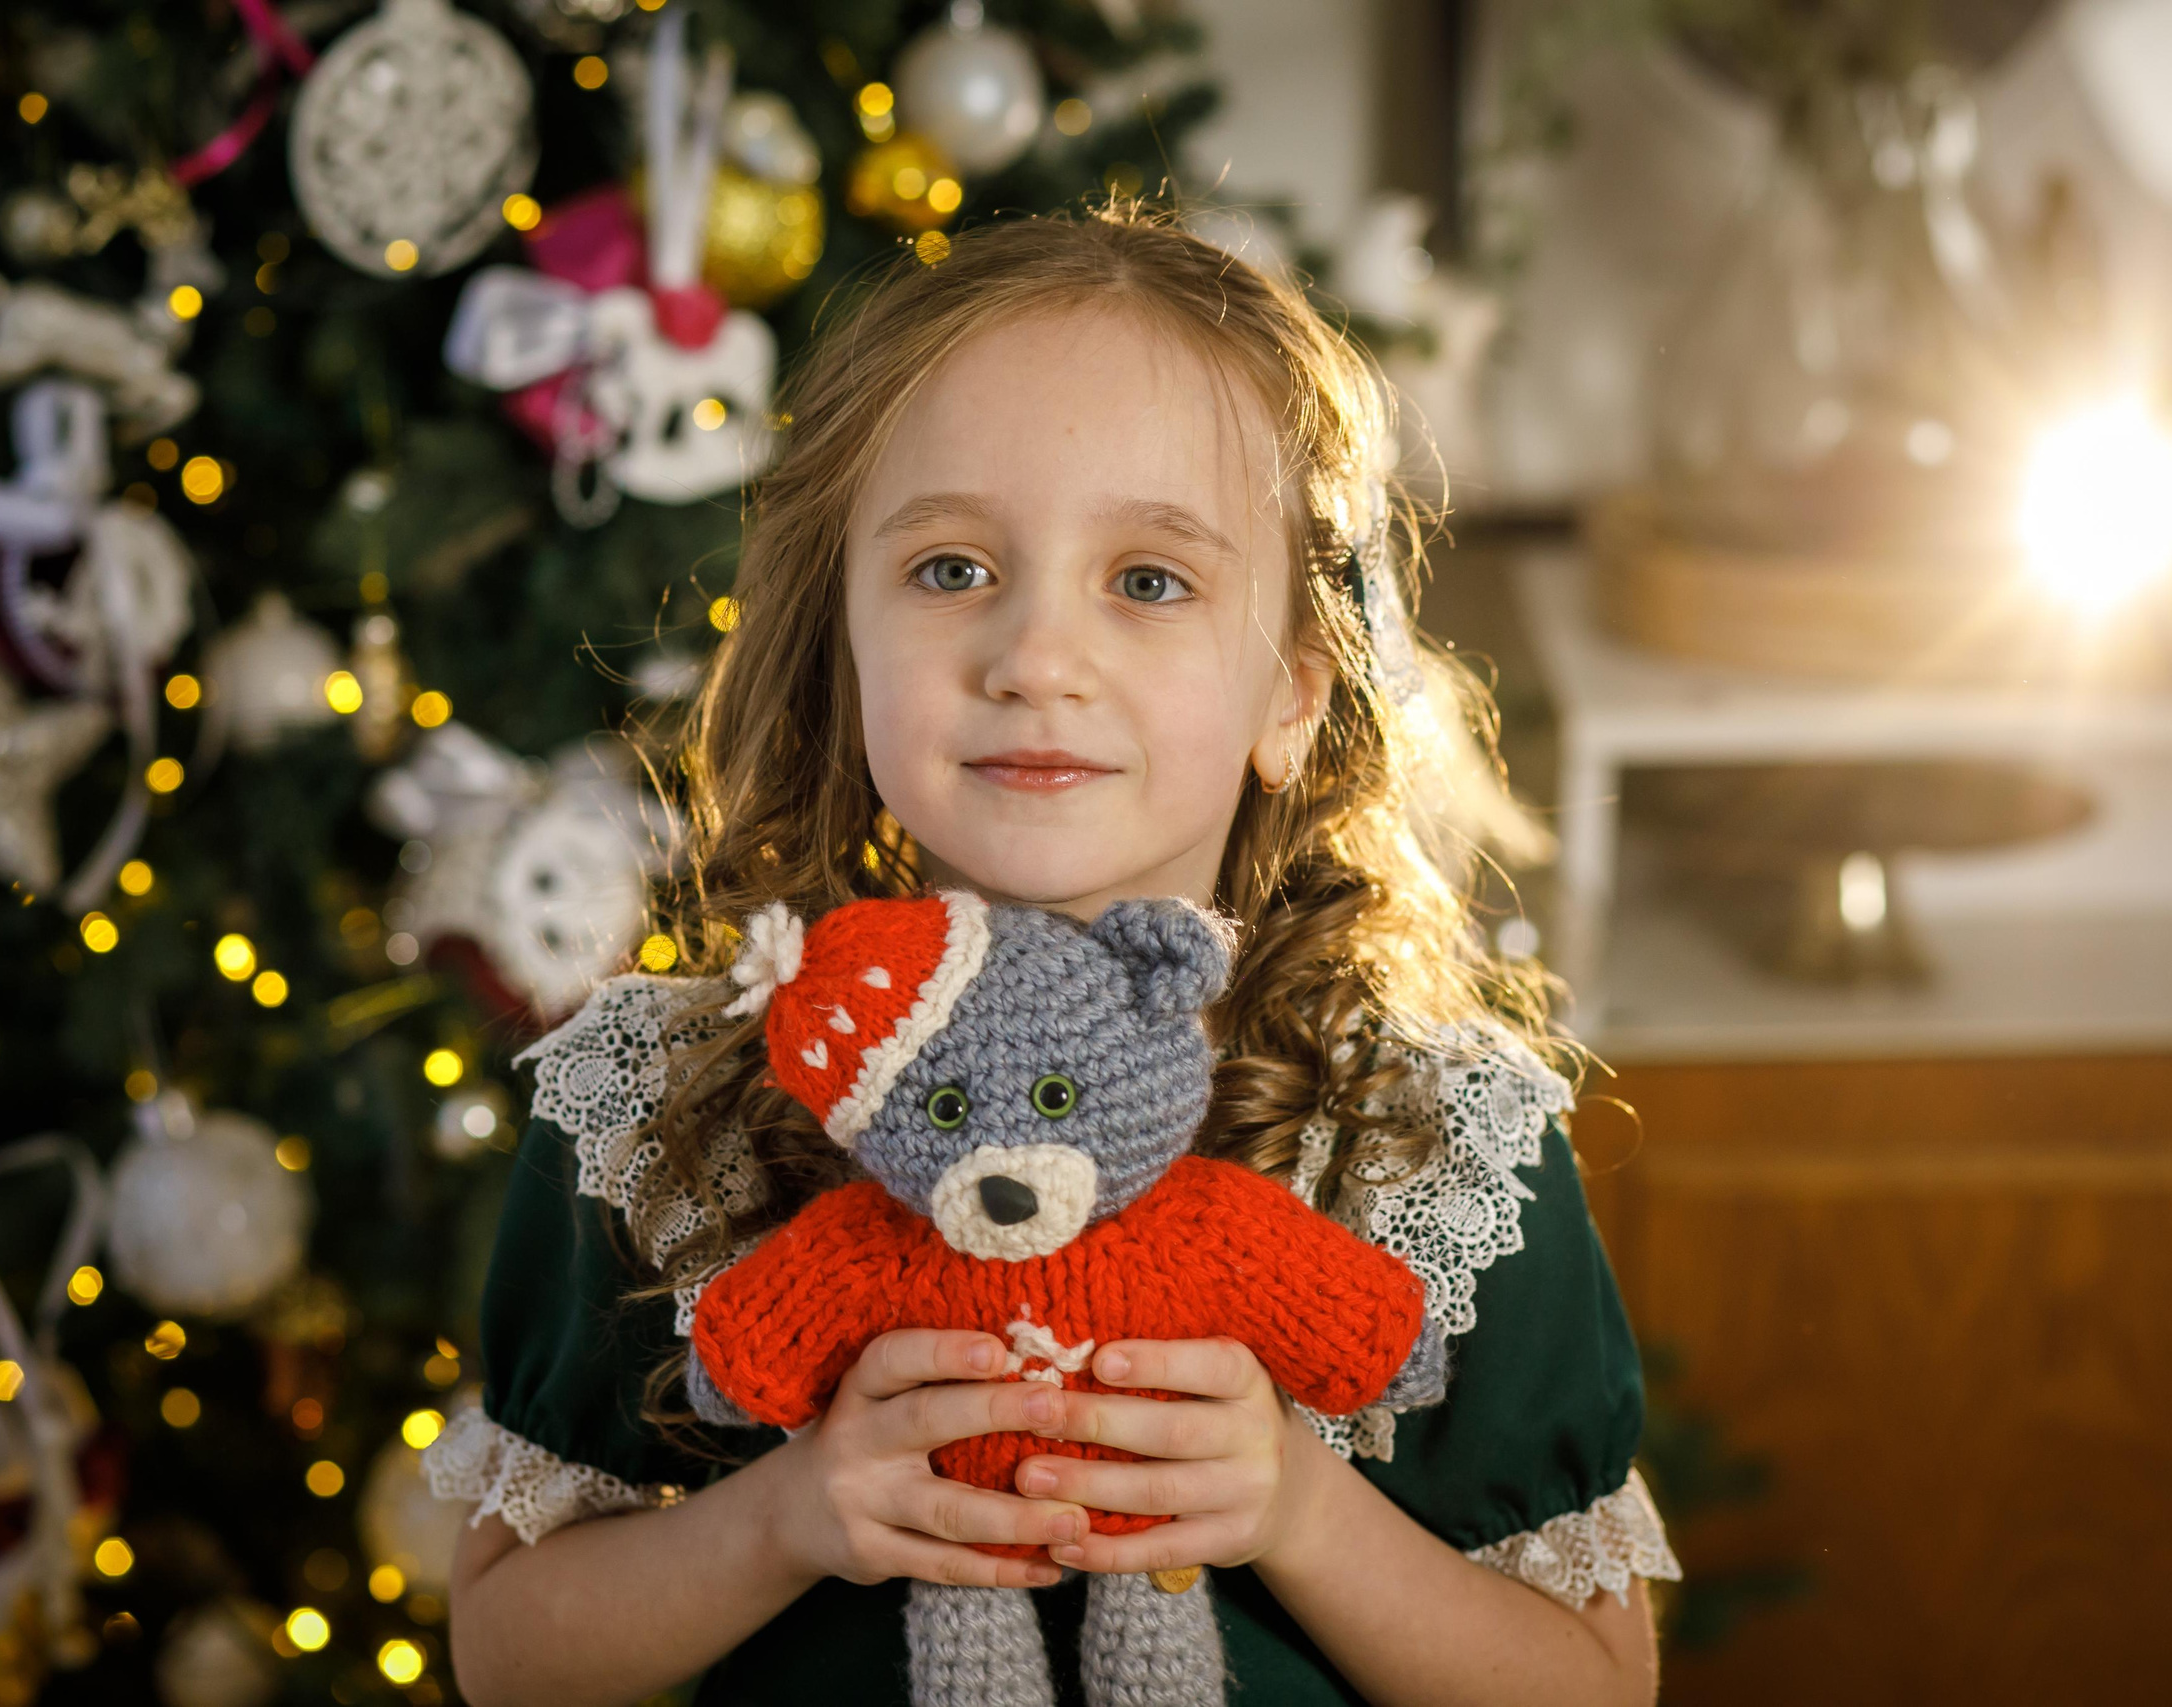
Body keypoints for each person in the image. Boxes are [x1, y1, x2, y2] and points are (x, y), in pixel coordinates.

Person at [429, 205, 1680, 1707]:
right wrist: (786, 1518)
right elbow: (510, 1660)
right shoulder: (661, 1115)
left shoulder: (1432, 1143)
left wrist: (1294, 1504)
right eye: (952, 569)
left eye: (1150, 581)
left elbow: (1592, 1685)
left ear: (1292, 693)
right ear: (840, 642)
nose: (1034, 656)